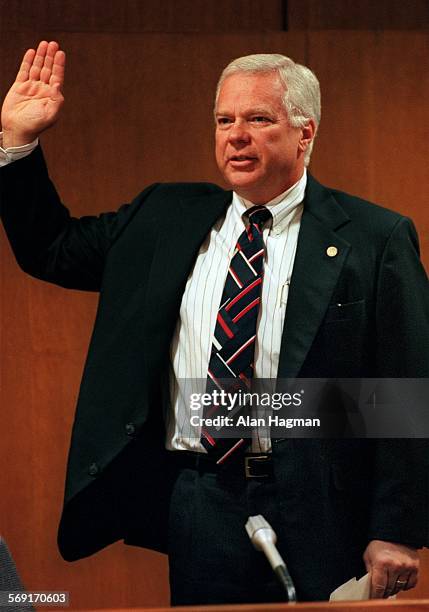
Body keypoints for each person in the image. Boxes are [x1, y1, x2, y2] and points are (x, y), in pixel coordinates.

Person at [1, 40, 428, 605]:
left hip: (321, 504)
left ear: (306, 133)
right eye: (224, 119)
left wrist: (396, 527)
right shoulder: (164, 218)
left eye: (258, 119)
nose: (236, 135)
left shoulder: (374, 239)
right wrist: (19, 143)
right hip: (200, 498)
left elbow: (406, 394)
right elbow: (50, 248)